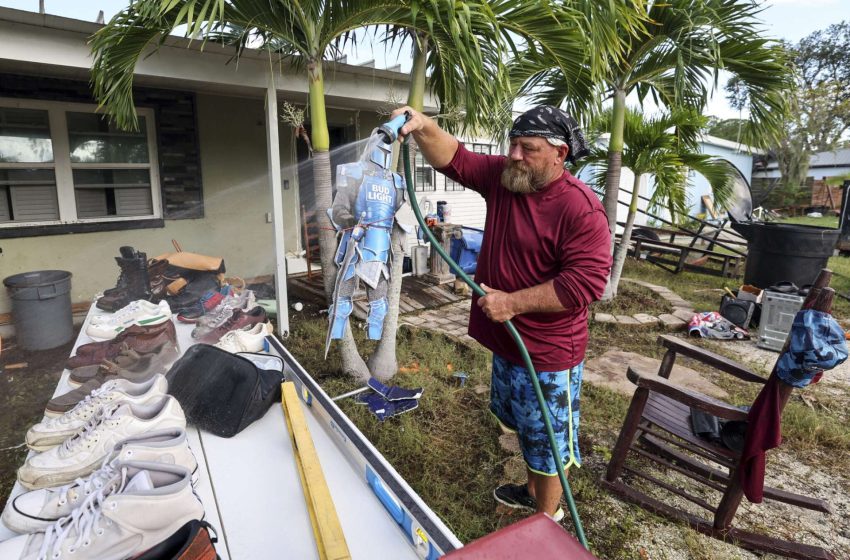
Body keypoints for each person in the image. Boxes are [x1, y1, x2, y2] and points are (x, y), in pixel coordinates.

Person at [391, 105, 611, 521]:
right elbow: (454, 157)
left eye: (527, 148)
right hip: (509, 344)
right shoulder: (507, 179)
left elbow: (583, 286)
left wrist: (511, 302)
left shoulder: (580, 209)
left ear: (559, 154)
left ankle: (546, 521)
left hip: (546, 354)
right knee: (525, 428)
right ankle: (530, 493)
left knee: (547, 443)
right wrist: (422, 125)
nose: (514, 154)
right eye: (512, 144)